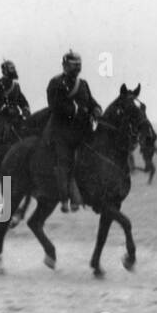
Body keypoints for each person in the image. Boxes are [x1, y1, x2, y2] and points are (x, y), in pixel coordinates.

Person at [44, 50, 102, 212]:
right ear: (65, 65)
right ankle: (65, 199)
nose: (76, 67)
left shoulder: (82, 84)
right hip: (63, 132)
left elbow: (90, 101)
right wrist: (75, 110)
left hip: (83, 130)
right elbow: (54, 105)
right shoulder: (56, 83)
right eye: (73, 64)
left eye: (78, 64)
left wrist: (97, 109)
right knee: (65, 163)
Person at [0, 60, 31, 168]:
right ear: (5, 71)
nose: (14, 70)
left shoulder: (16, 86)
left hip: (14, 116)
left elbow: (22, 99)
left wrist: (25, 109)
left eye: (14, 68)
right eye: (11, 69)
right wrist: (4, 108)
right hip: (0, 115)